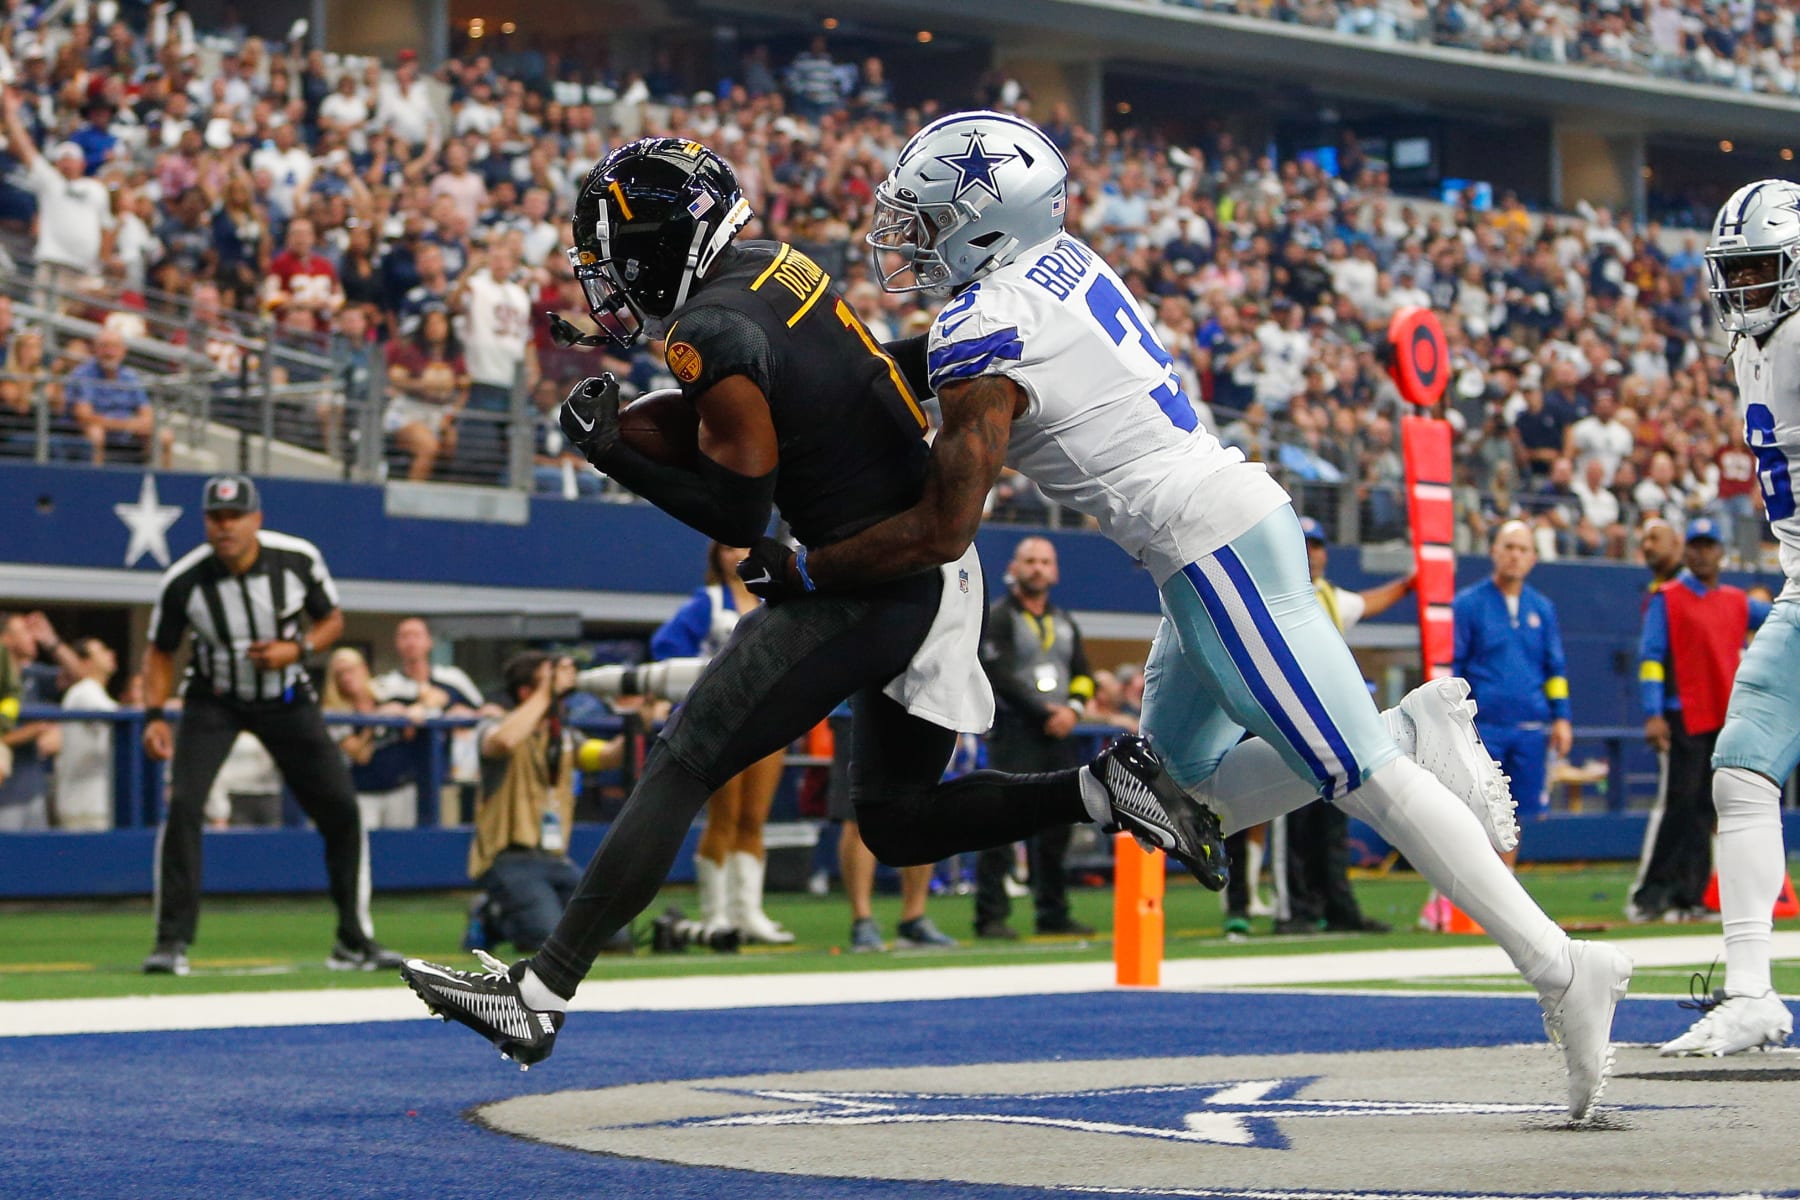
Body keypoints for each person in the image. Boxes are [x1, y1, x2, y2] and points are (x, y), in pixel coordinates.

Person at [739, 110, 1626, 1121]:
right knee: (1174, 802)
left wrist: (812, 566)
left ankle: (1561, 969)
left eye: (927, 217)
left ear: (986, 222)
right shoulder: (1058, 264)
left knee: (1359, 781)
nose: (907, 238)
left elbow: (945, 527)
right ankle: (1407, 731)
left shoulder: (983, 324)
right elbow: (916, 365)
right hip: (1208, 542)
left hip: (1213, 545)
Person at [400, 136, 1196, 1067]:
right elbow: (814, 393)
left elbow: (738, 515)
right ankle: (1104, 788)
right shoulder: (781, 265)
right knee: (897, 820)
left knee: (685, 759)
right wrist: (668, 415)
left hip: (869, 574)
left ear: (661, 244)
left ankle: (538, 994)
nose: (607, 276)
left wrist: (613, 451)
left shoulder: (708, 332)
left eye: (616, 253)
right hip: (931, 567)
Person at [139, 474, 402, 976]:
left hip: (285, 698)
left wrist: (296, 649)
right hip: (213, 699)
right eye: (215, 518)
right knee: (184, 806)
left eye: (234, 516)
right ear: (204, 523)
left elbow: (332, 621)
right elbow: (160, 649)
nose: (225, 527)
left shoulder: (297, 560)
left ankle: (354, 938)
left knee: (342, 809)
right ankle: (170, 941)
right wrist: (154, 714)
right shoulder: (184, 580)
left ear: (256, 519)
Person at [1659, 180, 1800, 1055]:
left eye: (1761, 268)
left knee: (1743, 768)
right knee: (1742, 771)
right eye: (1735, 271)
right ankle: (1750, 992)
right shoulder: (1756, 348)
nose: (1745, 287)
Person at [1268, 516, 1416, 936]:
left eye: (1317, 545)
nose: (1313, 553)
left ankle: (1335, 904)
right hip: (1288, 719)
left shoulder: (1328, 597)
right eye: (1305, 544)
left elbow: (1367, 603)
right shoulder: (1274, 590)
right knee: (1290, 817)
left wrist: (1408, 585)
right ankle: (1292, 909)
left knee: (1333, 816)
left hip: (1328, 721)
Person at [650, 542, 795, 944]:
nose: (736, 556)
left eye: (744, 548)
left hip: (769, 717)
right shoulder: (708, 602)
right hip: (720, 719)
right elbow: (666, 647)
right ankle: (715, 914)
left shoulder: (775, 596)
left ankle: (748, 911)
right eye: (728, 549)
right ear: (716, 556)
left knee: (754, 818)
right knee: (723, 817)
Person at [1629, 517, 1767, 924]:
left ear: (1722, 553)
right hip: (1683, 713)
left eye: (1710, 546)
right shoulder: (1667, 598)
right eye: (1696, 546)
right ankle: (1653, 893)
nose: (1702, 553)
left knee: (1706, 808)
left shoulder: (1735, 601)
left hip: (1724, 719)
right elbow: (1650, 658)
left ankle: (1690, 894)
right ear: (1686, 552)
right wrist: (1654, 713)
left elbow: (1779, 618)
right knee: (1681, 804)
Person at [975, 536, 1096, 940]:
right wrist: (1048, 713)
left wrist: (1073, 709)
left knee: (1058, 826)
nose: (1038, 568)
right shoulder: (1000, 617)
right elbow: (1000, 674)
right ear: (1016, 567)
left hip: (1058, 733)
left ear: (1055, 571)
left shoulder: (1065, 621)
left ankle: (1053, 912)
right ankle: (990, 915)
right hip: (1016, 732)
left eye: (1045, 561)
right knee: (1000, 823)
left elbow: (1082, 673)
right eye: (1031, 561)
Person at [468, 652, 620, 953]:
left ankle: (505, 913)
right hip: (507, 857)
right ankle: (490, 917)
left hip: (555, 858)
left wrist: (640, 717)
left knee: (614, 937)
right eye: (551, 676)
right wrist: (544, 694)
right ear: (526, 691)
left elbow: (606, 756)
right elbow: (503, 742)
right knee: (546, 941)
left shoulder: (562, 737)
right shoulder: (494, 724)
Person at [1452, 521, 1572, 861]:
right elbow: (1454, 666)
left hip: (1530, 729)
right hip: (1483, 728)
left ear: (1534, 557)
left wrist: (1561, 718)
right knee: (1475, 812)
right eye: (1509, 547)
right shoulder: (1468, 604)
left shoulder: (1543, 608)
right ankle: (1461, 899)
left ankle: (1505, 888)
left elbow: (1555, 669)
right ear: (1494, 552)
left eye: (1523, 549)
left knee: (1513, 818)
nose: (1515, 555)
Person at [826, 704, 959, 952]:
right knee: (858, 814)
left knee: (921, 808)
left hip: (923, 705)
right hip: (858, 705)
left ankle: (914, 917)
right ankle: (862, 920)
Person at [321, 646, 422, 830]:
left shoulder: (387, 691)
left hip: (400, 786)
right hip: (363, 791)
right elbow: (360, 756)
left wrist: (413, 710)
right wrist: (375, 720)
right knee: (366, 847)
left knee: (402, 847)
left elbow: (436, 696)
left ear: (364, 669)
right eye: (339, 674)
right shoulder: (335, 712)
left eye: (350, 670)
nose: (346, 678)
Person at [55, 637, 119, 832]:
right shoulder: (84, 691)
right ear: (86, 662)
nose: (111, 654)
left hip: (95, 802)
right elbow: (120, 718)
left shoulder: (98, 692)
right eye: (102, 650)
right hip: (84, 805)